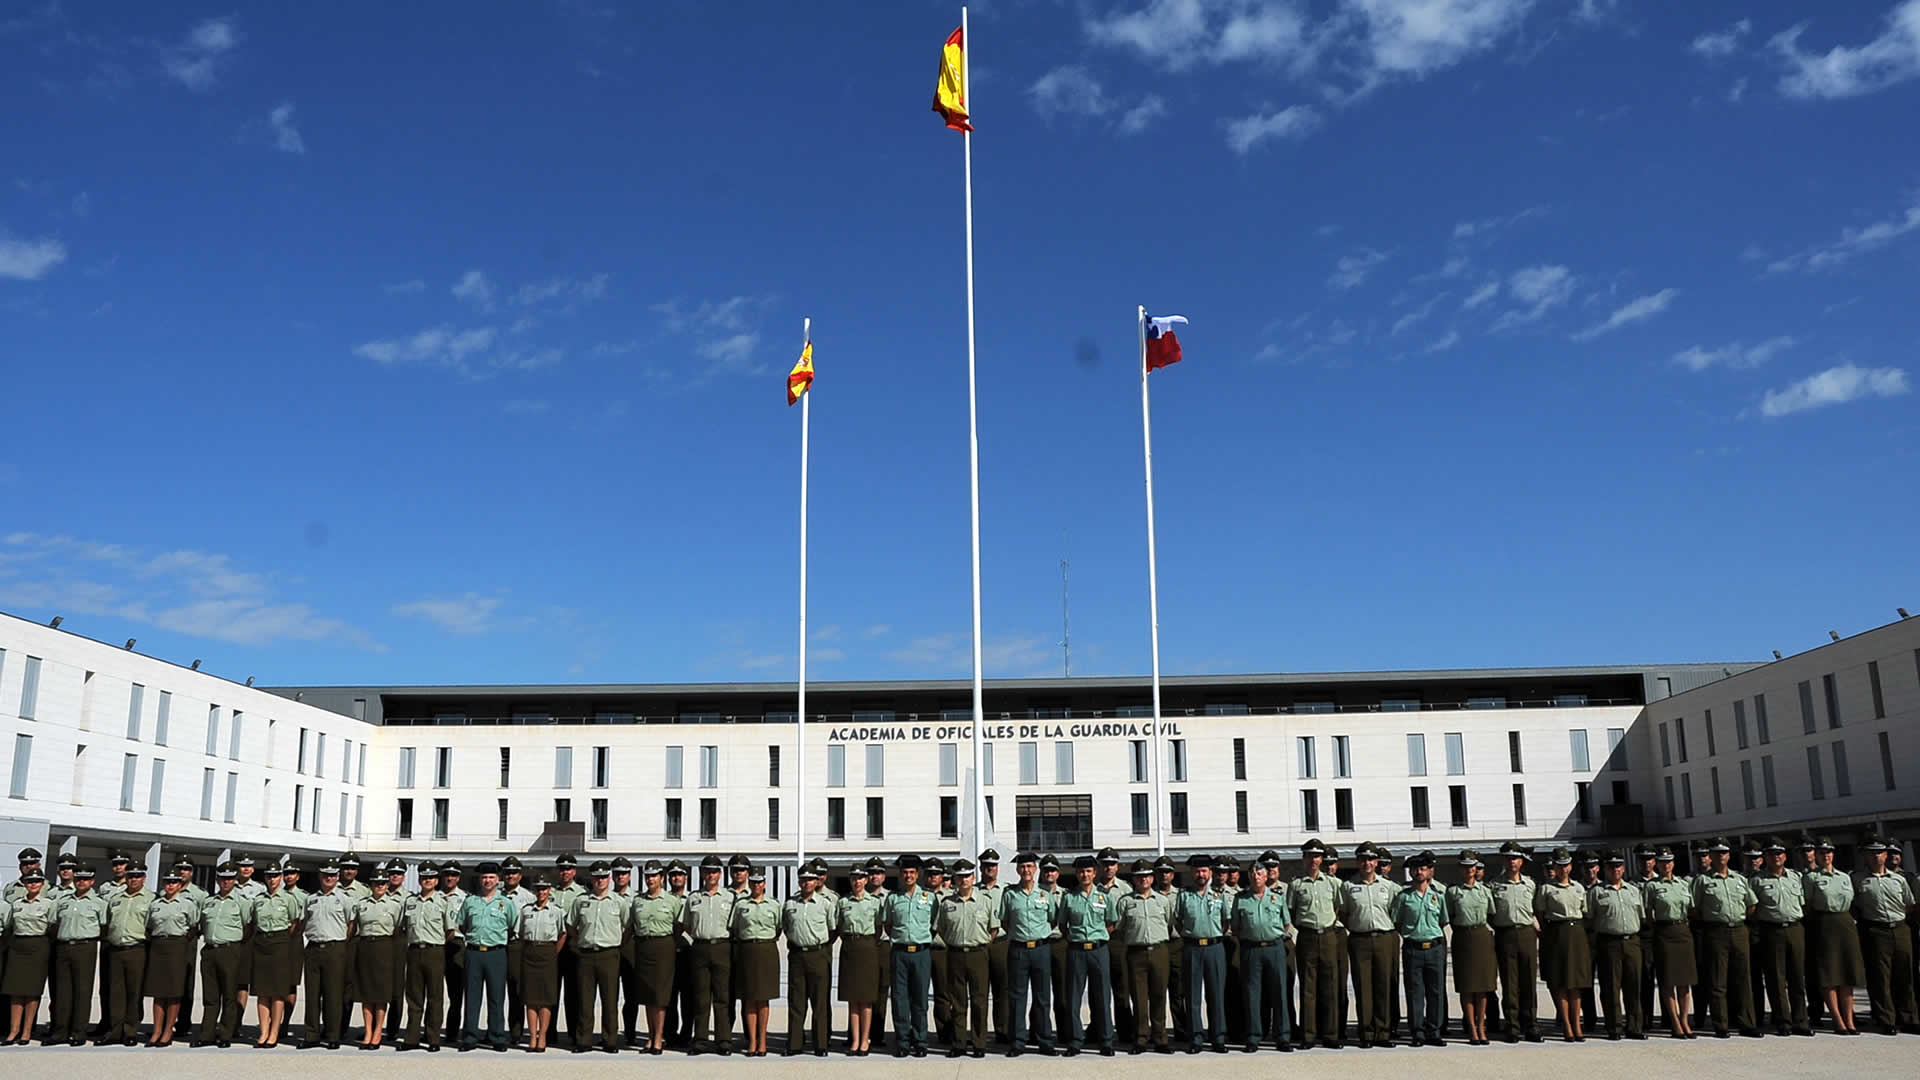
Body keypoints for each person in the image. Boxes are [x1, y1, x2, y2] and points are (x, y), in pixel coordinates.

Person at [1692, 837, 1760, 1038]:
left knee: (1743, 978)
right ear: (1710, 856)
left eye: (1724, 853)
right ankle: (1721, 1024)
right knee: (1718, 980)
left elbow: (1751, 904)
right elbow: (1694, 909)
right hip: (1715, 932)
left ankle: (1746, 1023)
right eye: (1716, 853)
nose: (1721, 856)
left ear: (1729, 856)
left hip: (1739, 930)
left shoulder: (1739, 879)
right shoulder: (1702, 881)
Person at [1337, 842, 1401, 1049]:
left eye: (1371, 859)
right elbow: (1344, 913)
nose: (1367, 863)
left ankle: (1383, 1032)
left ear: (1376, 862)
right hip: (1359, 940)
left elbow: (1396, 911)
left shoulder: (1389, 886)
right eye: (1363, 859)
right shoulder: (1348, 887)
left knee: (1384, 985)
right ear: (1357, 862)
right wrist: (1357, 927)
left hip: (1383, 938)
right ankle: (1366, 1032)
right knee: (1363, 986)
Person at [1854, 835, 1918, 1035]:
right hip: (1876, 930)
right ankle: (1886, 1019)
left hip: (1900, 929)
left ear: (1886, 855)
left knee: (1905, 975)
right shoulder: (1857, 879)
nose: (1876, 857)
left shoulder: (1899, 879)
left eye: (1879, 852)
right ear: (1864, 855)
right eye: (1871, 853)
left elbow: (1909, 904)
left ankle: (1908, 1017)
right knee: (1880, 977)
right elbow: (1853, 907)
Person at [1750, 836, 1812, 1036]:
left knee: (1797, 978)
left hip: (1795, 929)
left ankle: (1801, 1021)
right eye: (1770, 854)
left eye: (1778, 854)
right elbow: (1752, 908)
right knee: (1776, 979)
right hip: (1771, 931)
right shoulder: (1757, 880)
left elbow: (1802, 904)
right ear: (1764, 857)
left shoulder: (1795, 877)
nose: (1775, 857)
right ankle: (1783, 1022)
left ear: (1785, 856)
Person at [456, 861, 518, 1051]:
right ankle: (470, 1036)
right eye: (484, 877)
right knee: (472, 997)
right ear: (479, 879)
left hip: (496, 953)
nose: (487, 880)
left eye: (491, 877)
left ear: (498, 880)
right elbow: (462, 925)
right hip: (474, 952)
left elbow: (512, 926)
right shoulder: (470, 902)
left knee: (496, 997)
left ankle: (497, 1036)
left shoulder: (506, 903)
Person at [1000, 850, 1057, 1056]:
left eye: (1030, 867)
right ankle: (1017, 1041)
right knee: (1017, 997)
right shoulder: (1010, 894)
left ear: (1036, 869)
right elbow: (1005, 921)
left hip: (1041, 949)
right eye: (1022, 867)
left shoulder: (1045, 895)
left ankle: (1044, 1040)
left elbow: (1053, 919)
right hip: (1019, 949)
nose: (1026, 870)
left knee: (1042, 997)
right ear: (1017, 870)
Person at [1802, 838, 1862, 1034]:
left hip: (1845, 924)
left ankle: (1849, 1019)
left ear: (1833, 854)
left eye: (1828, 852)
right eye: (1821, 852)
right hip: (1824, 924)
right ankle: (1837, 1019)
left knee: (1846, 973)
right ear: (1816, 855)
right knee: (1829, 975)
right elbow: (1808, 906)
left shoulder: (1845, 876)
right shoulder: (1811, 878)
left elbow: (1852, 901)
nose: (1825, 855)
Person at [1233, 859, 1293, 1053]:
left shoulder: (1277, 897)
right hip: (1251, 949)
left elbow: (1286, 923)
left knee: (1279, 994)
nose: (1255, 876)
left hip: (1274, 948)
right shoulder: (1240, 898)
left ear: (1266, 877)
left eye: (1259, 873)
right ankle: (1253, 1036)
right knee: (1252, 994)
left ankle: (1282, 1036)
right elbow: (1236, 927)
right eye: (1252, 873)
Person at [1057, 855, 1115, 1057]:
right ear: (1076, 873)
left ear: (1094, 873)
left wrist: (1098, 937)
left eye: (1089, 871)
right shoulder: (1069, 897)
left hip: (1099, 950)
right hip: (1077, 950)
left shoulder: (1105, 895)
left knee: (1102, 997)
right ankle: (1075, 1040)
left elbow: (1111, 922)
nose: (1085, 874)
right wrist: (1076, 938)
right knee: (1073, 997)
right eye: (1081, 871)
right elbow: (1062, 925)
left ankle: (1105, 1040)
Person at [1113, 859, 1173, 1054]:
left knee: (1158, 996)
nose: (1143, 880)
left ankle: (1160, 1038)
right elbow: (1120, 928)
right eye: (1139, 877)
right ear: (1134, 879)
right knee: (1138, 997)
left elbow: (1169, 923)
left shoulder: (1162, 901)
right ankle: (1140, 1038)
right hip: (1135, 953)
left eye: (1146, 876)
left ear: (1152, 878)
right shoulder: (1126, 901)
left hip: (1159, 950)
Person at [934, 859, 992, 1058]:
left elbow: (994, 928)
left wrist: (980, 943)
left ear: (973, 878)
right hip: (955, 954)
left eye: (967, 876)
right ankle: (958, 1043)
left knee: (979, 1001)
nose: (964, 880)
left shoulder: (985, 901)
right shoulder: (947, 903)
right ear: (955, 879)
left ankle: (979, 1043)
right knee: (957, 1002)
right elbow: (940, 928)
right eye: (960, 876)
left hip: (978, 954)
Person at [1391, 850, 1447, 1047]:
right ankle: (1418, 1031)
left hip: (1434, 947)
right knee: (1415, 992)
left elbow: (1443, 921)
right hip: (1413, 948)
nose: (1419, 873)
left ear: (1429, 871)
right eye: (1415, 869)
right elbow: (1397, 921)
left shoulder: (1438, 895)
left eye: (1422, 868)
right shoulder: (1404, 897)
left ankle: (1434, 1030)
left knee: (1436, 991)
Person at [48, 865, 108, 1046]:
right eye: (78, 879)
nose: (81, 882)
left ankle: (78, 1032)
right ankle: (60, 1032)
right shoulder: (63, 901)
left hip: (85, 947)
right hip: (64, 946)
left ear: (92, 882)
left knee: (82, 991)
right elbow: (53, 922)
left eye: (85, 879)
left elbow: (104, 927)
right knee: (62, 991)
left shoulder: (99, 903)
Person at [1488, 841, 1542, 1042]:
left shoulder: (1530, 884)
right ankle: (1512, 1025)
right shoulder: (1494, 885)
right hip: (1505, 934)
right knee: (1509, 983)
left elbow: (1536, 910)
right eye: (1508, 858)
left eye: (1515, 858)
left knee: (1528, 981)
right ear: (1503, 860)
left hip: (1527, 933)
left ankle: (1531, 1024)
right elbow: (1490, 914)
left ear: (1522, 861)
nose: (1512, 862)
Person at [1289, 838, 1341, 1049]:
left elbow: (1338, 907)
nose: (1313, 860)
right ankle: (1308, 1035)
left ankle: (1330, 1034)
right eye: (1310, 855)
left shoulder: (1332, 883)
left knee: (1330, 986)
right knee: (1308, 988)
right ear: (1303, 859)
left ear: (1322, 859)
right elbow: (1292, 913)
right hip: (1307, 937)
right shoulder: (1296, 884)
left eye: (1317, 856)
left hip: (1328, 936)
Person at [882, 854, 935, 1057]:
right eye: (905, 872)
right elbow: (887, 924)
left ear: (918, 874)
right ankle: (903, 1041)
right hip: (900, 953)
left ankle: (920, 1040)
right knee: (899, 999)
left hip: (921, 954)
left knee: (920, 999)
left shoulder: (929, 898)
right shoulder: (893, 898)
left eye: (912, 872)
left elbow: (935, 924)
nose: (908, 876)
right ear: (900, 874)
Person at [1642, 846, 1698, 1039]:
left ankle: (1684, 1020)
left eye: (1669, 861)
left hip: (1683, 932)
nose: (1666, 865)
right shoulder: (1652, 886)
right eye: (1662, 862)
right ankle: (1674, 1022)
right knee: (1668, 981)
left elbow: (1691, 908)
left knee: (1685, 981)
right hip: (1664, 933)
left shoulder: (1683, 884)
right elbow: (1648, 915)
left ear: (1673, 863)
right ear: (1657, 864)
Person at [1589, 851, 1646, 1041]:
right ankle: (1614, 1026)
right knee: (1611, 987)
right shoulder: (1597, 892)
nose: (1616, 870)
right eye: (1612, 867)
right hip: (1609, 942)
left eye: (1619, 866)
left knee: (1634, 985)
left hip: (1632, 941)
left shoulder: (1633, 890)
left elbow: (1641, 915)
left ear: (1623, 868)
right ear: (1605, 869)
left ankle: (1635, 1026)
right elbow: (1589, 918)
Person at [781, 863, 836, 1056]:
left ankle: (820, 1044)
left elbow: (831, 928)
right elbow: (786, 928)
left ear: (817, 881)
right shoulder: (790, 903)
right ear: (799, 881)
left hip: (818, 954)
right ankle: (794, 1043)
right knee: (796, 1001)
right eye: (803, 879)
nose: (807, 883)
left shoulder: (825, 904)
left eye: (810, 879)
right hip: (797, 955)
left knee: (819, 1001)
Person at [1536, 847, 1591, 1042]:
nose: (1563, 869)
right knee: (1560, 982)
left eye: (1565, 865)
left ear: (1570, 866)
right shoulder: (1546, 889)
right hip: (1556, 933)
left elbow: (1584, 912)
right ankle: (1567, 1025)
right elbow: (1541, 915)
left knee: (1576, 982)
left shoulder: (1578, 888)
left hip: (1576, 932)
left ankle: (1577, 1024)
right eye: (1559, 866)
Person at [684, 854, 737, 1055]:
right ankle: (700, 1040)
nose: (710, 875)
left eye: (714, 871)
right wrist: (698, 940)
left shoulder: (730, 897)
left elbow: (734, 925)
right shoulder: (693, 898)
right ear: (701, 873)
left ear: (720, 874)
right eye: (707, 871)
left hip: (722, 946)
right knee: (701, 996)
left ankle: (724, 1040)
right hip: (699, 948)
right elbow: (686, 925)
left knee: (723, 997)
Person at [570, 861, 624, 1054]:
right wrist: (581, 942)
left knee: (610, 1000)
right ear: (591, 878)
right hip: (586, 954)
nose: (600, 881)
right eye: (596, 877)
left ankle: (610, 1040)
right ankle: (583, 1040)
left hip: (609, 954)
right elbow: (571, 926)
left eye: (603, 877)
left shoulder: (618, 901)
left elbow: (627, 926)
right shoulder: (580, 901)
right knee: (585, 1000)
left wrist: (616, 943)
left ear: (609, 878)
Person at [629, 861, 682, 1055]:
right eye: (647, 876)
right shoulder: (638, 901)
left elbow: (678, 926)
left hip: (663, 946)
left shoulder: (672, 901)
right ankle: (650, 1037)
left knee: (660, 995)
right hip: (643, 947)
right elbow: (632, 925)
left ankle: (659, 1038)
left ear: (661, 878)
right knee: (647, 995)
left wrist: (668, 942)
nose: (650, 879)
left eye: (654, 876)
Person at [100, 861, 153, 1046]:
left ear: (144, 878)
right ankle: (115, 1030)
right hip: (116, 949)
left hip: (137, 949)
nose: (134, 879)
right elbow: (107, 923)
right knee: (116, 992)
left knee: (134, 992)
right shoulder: (116, 898)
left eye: (138, 876)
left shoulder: (151, 899)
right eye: (131, 876)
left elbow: (152, 927)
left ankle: (131, 1030)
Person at [398, 863, 449, 1052]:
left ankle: (433, 1037)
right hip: (414, 951)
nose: (427, 881)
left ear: (436, 881)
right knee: (414, 997)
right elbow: (403, 926)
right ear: (419, 880)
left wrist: (435, 942)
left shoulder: (443, 902)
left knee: (435, 997)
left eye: (431, 878)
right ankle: (411, 1037)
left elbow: (449, 930)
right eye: (424, 877)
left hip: (434, 951)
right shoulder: (410, 902)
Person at [727, 865, 777, 1057]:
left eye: (760, 882)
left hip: (766, 950)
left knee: (762, 999)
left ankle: (763, 1041)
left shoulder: (773, 904)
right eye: (754, 882)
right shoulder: (741, 904)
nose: (756, 885)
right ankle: (752, 1042)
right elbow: (735, 928)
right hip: (746, 951)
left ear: (765, 883)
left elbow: (779, 927)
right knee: (748, 999)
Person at [1447, 850, 1496, 1045]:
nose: (1469, 870)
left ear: (1477, 868)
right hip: (1463, 937)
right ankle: (1472, 1028)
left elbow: (1491, 913)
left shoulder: (1485, 891)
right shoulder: (1453, 892)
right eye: (1466, 866)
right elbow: (1449, 916)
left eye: (1472, 866)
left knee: (1483, 987)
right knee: (1467, 987)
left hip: (1482, 936)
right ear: (1461, 868)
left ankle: (1482, 1025)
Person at [142, 870, 196, 1046]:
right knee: (158, 992)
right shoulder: (155, 904)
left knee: (174, 992)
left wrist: (180, 942)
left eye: (174, 882)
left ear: (180, 885)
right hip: (158, 947)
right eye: (167, 882)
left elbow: (193, 927)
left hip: (177, 947)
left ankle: (167, 1031)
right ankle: (157, 1030)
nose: (170, 885)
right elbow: (149, 926)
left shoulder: (187, 904)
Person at [248, 865, 300, 1048]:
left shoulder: (288, 899)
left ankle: (274, 1032)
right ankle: (263, 1032)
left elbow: (294, 923)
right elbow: (253, 922)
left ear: (281, 877)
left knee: (278, 992)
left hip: (280, 943)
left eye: (276, 875)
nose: (272, 879)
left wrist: (281, 939)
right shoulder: (258, 899)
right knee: (262, 992)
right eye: (269, 875)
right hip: (261, 943)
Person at [516, 875, 567, 1053]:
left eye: (544, 889)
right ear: (534, 891)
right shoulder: (525, 910)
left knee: (545, 999)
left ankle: (543, 1036)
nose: (541, 892)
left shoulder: (556, 911)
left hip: (548, 953)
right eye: (538, 889)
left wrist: (553, 953)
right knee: (530, 999)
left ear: (549, 890)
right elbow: (520, 932)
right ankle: (532, 1036)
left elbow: (562, 934)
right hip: (530, 952)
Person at [353, 872, 403, 1048]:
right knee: (366, 994)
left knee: (381, 994)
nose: (379, 886)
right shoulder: (361, 904)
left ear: (387, 885)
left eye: (383, 883)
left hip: (384, 947)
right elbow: (355, 926)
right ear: (371, 885)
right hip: (365, 947)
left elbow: (397, 929)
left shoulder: (395, 905)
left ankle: (377, 1032)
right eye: (376, 883)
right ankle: (367, 1031)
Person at [837, 864, 883, 1056]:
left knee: (866, 999)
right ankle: (855, 1040)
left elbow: (879, 927)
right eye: (854, 878)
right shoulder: (843, 902)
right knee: (852, 999)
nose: (857, 881)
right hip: (849, 947)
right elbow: (838, 926)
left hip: (867, 948)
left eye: (860, 878)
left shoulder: (874, 902)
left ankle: (865, 1039)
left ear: (866, 880)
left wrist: (867, 942)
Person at [3, 870, 54, 1044]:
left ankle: (26, 1032)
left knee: (32, 992)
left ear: (42, 884)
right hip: (18, 947)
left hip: (38, 946)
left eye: (37, 881)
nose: (33, 884)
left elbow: (53, 926)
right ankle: (13, 1031)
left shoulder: (48, 904)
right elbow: (9, 925)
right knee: (15, 991)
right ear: (24, 884)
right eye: (29, 881)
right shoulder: (16, 904)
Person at [438, 860, 468, 1045]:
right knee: (433, 992)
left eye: (454, 875)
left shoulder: (465, 898)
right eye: (447, 874)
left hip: (456, 945)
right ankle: (432, 1029)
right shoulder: (434, 895)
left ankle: (452, 1031)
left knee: (455, 993)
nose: (450, 878)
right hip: (434, 943)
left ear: (458, 877)